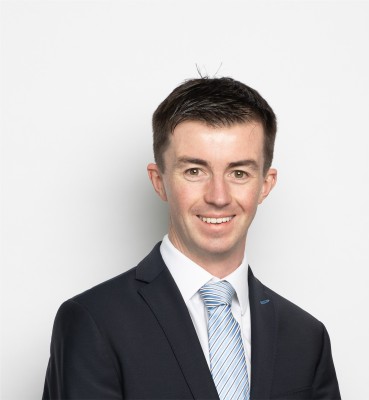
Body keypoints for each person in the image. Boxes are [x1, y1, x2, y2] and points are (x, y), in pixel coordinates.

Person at [42, 77, 341, 399]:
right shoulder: (95, 322)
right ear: (159, 181)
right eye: (194, 171)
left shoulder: (306, 337)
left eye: (239, 173)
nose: (218, 197)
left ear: (265, 185)